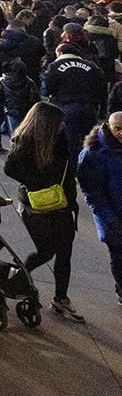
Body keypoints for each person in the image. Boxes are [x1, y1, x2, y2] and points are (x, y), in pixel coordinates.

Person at [4, 101, 84, 323]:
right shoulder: (25, 143)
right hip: (36, 206)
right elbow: (9, 168)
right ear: (47, 124)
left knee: (65, 252)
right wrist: (38, 185)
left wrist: (71, 202)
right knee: (47, 251)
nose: (63, 126)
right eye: (59, 123)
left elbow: (67, 173)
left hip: (62, 204)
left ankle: (61, 298)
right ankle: (17, 275)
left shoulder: (60, 141)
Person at [77, 112, 122, 307]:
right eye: (118, 129)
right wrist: (111, 220)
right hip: (112, 216)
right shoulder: (93, 153)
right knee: (119, 255)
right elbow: (93, 193)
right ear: (109, 127)